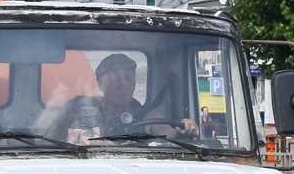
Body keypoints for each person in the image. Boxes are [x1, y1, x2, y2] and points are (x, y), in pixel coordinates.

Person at [65, 54, 198, 144]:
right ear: (100, 83)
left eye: (128, 78)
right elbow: (75, 139)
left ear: (134, 84)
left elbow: (173, 136)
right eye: (114, 78)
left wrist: (186, 128)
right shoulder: (86, 114)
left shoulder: (149, 117)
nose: (122, 85)